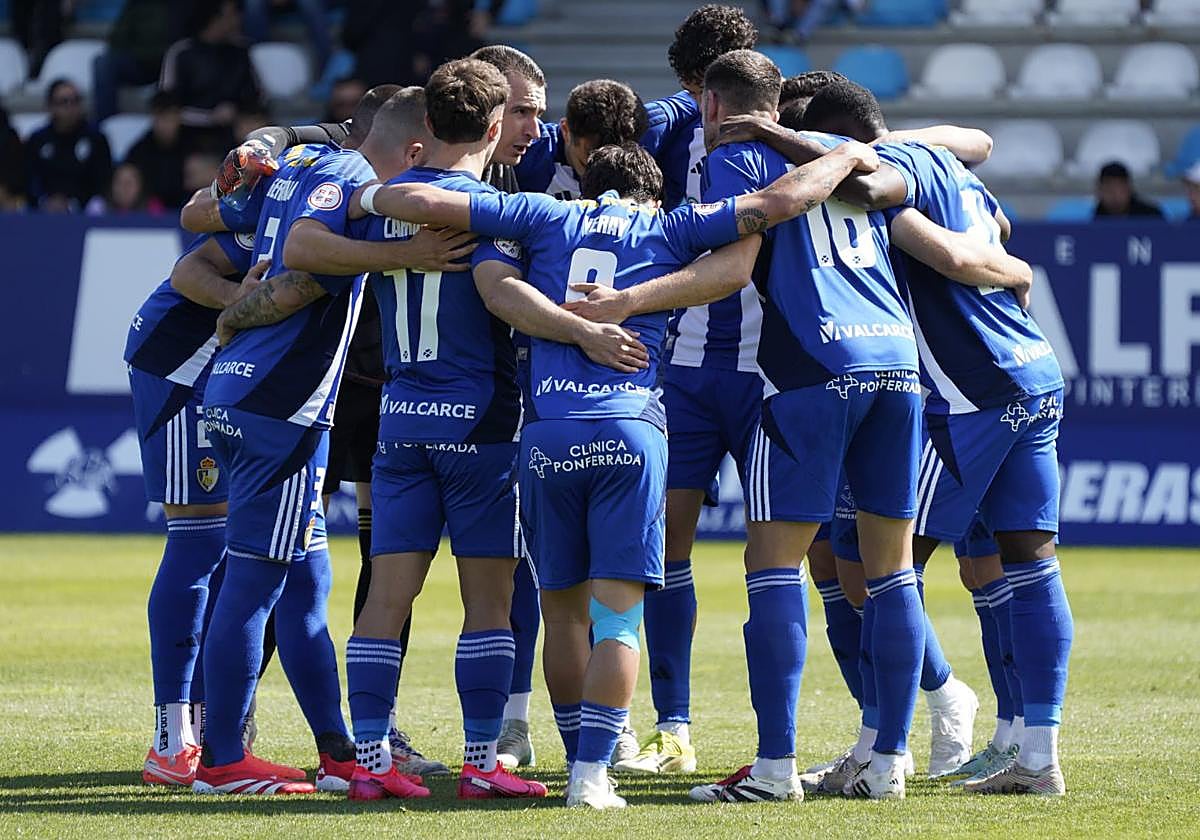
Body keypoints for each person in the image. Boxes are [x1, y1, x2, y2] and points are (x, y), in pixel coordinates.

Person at [361, 128, 885, 807]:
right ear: (654, 189)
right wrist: (844, 154)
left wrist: (365, 193)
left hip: (546, 436)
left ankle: (492, 751)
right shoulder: (672, 226)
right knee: (618, 620)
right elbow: (773, 207)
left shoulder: (546, 214)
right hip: (628, 433)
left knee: (561, 613)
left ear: (585, 183)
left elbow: (431, 203)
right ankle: (592, 775)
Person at [565, 53, 1029, 803]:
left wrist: (626, 300)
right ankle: (888, 760)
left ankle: (775, 769)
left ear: (714, 107)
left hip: (813, 368)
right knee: (891, 570)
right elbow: (967, 160)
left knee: (773, 565)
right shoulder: (856, 164)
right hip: (895, 365)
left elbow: (731, 267)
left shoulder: (740, 159)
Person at [803, 80, 1072, 796]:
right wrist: (999, 261)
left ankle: (880, 754)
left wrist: (900, 222)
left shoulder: (898, 172)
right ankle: (1036, 754)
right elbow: (991, 193)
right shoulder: (953, 166)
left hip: (970, 397)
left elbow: (895, 197)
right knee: (1031, 559)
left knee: (880, 564)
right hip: (1032, 375)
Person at [342, 67, 558, 802]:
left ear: (425, 123)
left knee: (385, 598)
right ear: (495, 131)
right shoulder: (497, 211)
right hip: (479, 425)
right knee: (488, 603)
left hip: (398, 421)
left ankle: (370, 766)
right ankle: (480, 762)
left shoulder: (384, 208)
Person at [608, 1, 757, 774]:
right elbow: (620, 133)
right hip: (690, 372)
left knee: (829, 560)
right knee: (666, 551)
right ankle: (675, 728)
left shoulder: (783, 127)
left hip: (771, 373)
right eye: (701, 89)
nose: (709, 104)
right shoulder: (668, 124)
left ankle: (909, 711)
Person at [125, 231, 259, 787]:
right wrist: (240, 301)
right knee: (200, 540)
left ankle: (206, 726)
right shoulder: (313, 180)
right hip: (184, 366)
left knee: (231, 547)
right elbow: (189, 268)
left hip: (224, 368)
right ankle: (170, 738)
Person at [516, 79, 649, 201]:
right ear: (566, 131)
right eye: (586, 166)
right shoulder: (526, 151)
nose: (597, 178)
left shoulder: (645, 159)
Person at [160, 0, 265, 147]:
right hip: (189, 135)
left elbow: (255, 96)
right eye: (233, 14)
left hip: (233, 134)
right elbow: (167, 106)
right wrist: (209, 117)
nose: (238, 19)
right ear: (215, 18)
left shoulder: (241, 52)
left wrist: (236, 112)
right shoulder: (182, 52)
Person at [24, 79, 113, 212]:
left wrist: (73, 204)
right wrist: (43, 200)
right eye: (64, 102)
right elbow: (29, 179)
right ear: (50, 106)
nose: (71, 107)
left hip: (85, 210)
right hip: (43, 209)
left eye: (75, 100)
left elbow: (103, 181)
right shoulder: (38, 139)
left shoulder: (96, 138)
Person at [93, 0, 181, 122]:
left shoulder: (181, 5)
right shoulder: (136, 4)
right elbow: (116, 39)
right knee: (103, 62)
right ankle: (106, 126)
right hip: (139, 63)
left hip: (170, 62)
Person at [127, 92, 189, 209]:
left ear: (179, 118)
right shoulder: (139, 151)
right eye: (161, 118)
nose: (166, 125)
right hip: (149, 213)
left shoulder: (192, 146)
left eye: (170, 118)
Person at [86, 161, 163, 215]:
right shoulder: (100, 208)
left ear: (140, 186)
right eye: (119, 182)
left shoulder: (152, 208)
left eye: (129, 183)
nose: (124, 188)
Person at [1093, 161, 1163, 218]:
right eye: (1109, 191)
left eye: (1120, 191)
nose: (1115, 197)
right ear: (1099, 191)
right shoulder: (1096, 218)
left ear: (1129, 189)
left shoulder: (1151, 216)